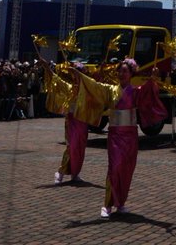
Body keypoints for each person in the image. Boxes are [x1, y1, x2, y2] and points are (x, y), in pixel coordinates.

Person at [70, 57, 165, 218]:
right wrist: (80, 76)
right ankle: (107, 204)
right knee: (115, 167)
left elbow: (149, 92)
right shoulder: (110, 90)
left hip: (130, 135)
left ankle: (120, 203)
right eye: (119, 71)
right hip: (115, 135)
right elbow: (95, 87)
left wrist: (154, 79)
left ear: (131, 74)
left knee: (127, 169)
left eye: (125, 71)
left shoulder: (135, 91)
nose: (121, 73)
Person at [40, 57, 85, 184]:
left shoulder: (87, 90)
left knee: (80, 148)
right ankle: (60, 172)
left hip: (82, 122)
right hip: (71, 121)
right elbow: (55, 79)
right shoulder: (69, 87)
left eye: (80, 74)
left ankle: (75, 173)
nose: (77, 77)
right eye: (75, 74)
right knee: (71, 147)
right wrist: (46, 67)